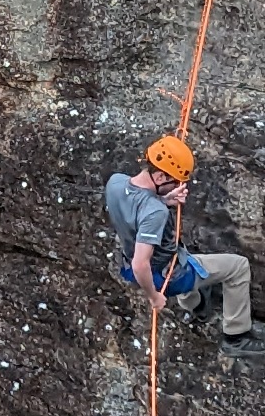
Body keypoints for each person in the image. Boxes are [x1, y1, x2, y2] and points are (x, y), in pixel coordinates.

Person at [104, 135, 253, 339]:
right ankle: (237, 335)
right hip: (163, 276)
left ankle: (196, 305)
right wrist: (154, 297)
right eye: (174, 181)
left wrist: (164, 199)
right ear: (160, 177)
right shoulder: (155, 212)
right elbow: (141, 264)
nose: (176, 187)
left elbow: (137, 208)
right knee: (239, 267)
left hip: (128, 265)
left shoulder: (115, 182)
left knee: (180, 254)